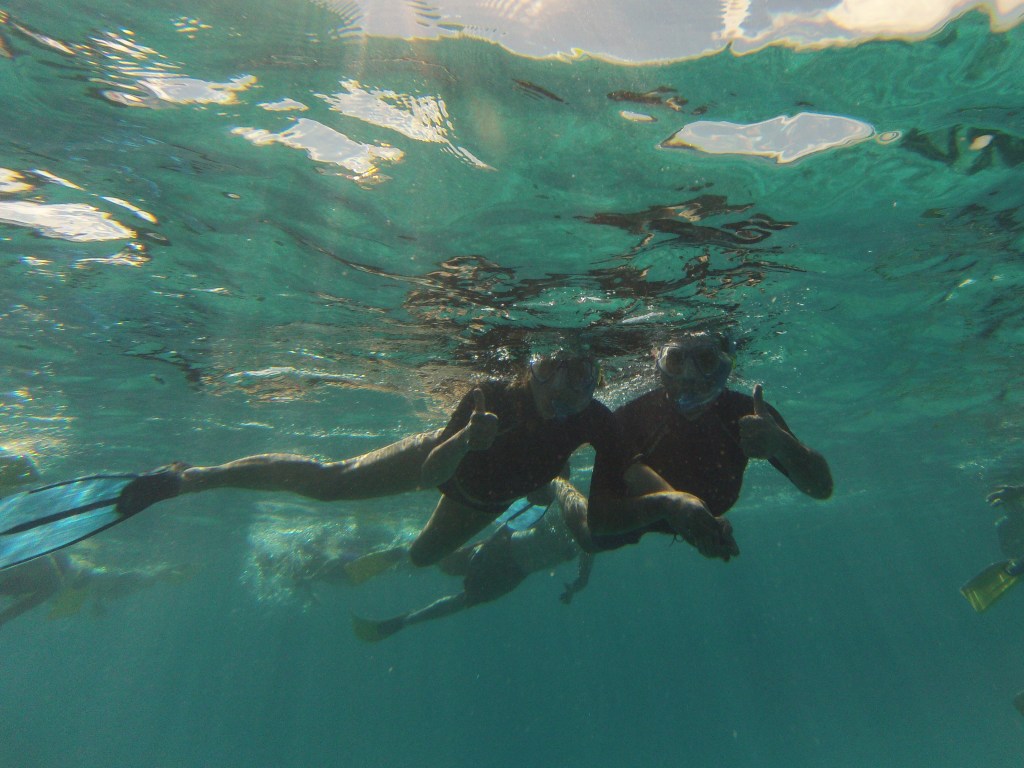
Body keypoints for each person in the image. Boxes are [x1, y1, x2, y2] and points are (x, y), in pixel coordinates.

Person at [123, 348, 736, 568]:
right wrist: (464, 441)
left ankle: (549, 486)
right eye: (554, 370)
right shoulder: (492, 396)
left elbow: (630, 470)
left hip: (487, 500)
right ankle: (192, 478)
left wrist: (680, 503)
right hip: (446, 463)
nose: (566, 388)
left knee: (422, 558)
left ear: (596, 379)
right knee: (332, 483)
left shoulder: (594, 417)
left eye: (582, 376)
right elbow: (429, 474)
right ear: (532, 369)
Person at [580, 330, 832, 550]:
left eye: (706, 360)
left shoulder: (752, 417)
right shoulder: (629, 419)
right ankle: (564, 490)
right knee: (587, 540)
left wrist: (784, 445)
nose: (689, 376)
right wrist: (667, 506)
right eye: (675, 360)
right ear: (659, 364)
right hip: (639, 517)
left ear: (725, 365)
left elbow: (822, 488)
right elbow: (598, 522)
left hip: (692, 520)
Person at [350, 474, 597, 642]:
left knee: (461, 593)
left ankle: (401, 617)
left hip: (512, 568)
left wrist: (573, 589)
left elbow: (583, 578)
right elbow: (523, 514)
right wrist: (492, 540)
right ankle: (400, 573)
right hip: (502, 552)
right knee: (451, 576)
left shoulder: (590, 539)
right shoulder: (565, 514)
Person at [0, 546, 190, 629]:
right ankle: (158, 573)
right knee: (115, 591)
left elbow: (20, 607)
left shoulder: (45, 570)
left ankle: (160, 573)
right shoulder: (34, 570)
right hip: (76, 585)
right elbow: (19, 607)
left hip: (84, 579)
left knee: (124, 582)